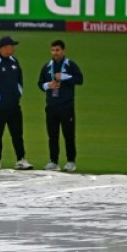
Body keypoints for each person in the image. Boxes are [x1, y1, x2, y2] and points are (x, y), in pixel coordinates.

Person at [0, 36, 33, 171]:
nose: (14, 48)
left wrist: (18, 93)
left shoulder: (14, 62)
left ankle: (21, 159)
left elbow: (19, 79)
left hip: (13, 106)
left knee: (17, 133)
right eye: (12, 46)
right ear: (4, 47)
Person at [39, 39, 84, 172]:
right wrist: (48, 85)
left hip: (66, 106)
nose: (55, 53)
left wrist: (64, 77)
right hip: (51, 106)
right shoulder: (47, 67)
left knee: (68, 134)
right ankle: (53, 161)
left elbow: (80, 80)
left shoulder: (70, 65)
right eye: (53, 50)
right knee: (52, 135)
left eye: (58, 50)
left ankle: (71, 161)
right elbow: (40, 83)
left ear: (63, 51)